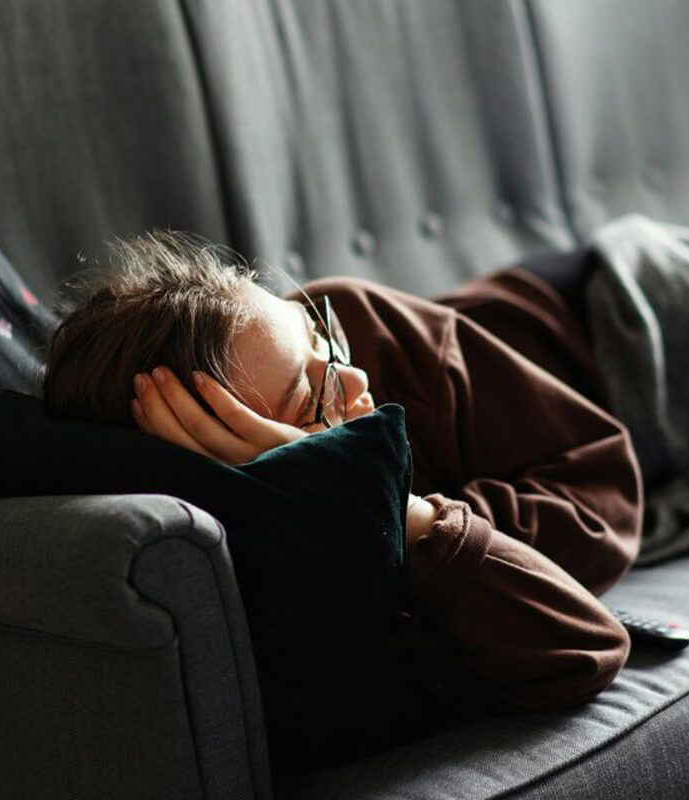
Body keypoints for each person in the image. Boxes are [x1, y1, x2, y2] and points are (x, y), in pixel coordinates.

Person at [42, 229, 644, 716]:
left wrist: (397, 505)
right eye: (311, 399)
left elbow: (605, 497)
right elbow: (581, 645)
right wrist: (386, 507)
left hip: (614, 309)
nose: (353, 379)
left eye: (317, 335)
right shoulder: (290, 560)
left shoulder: (357, 322)